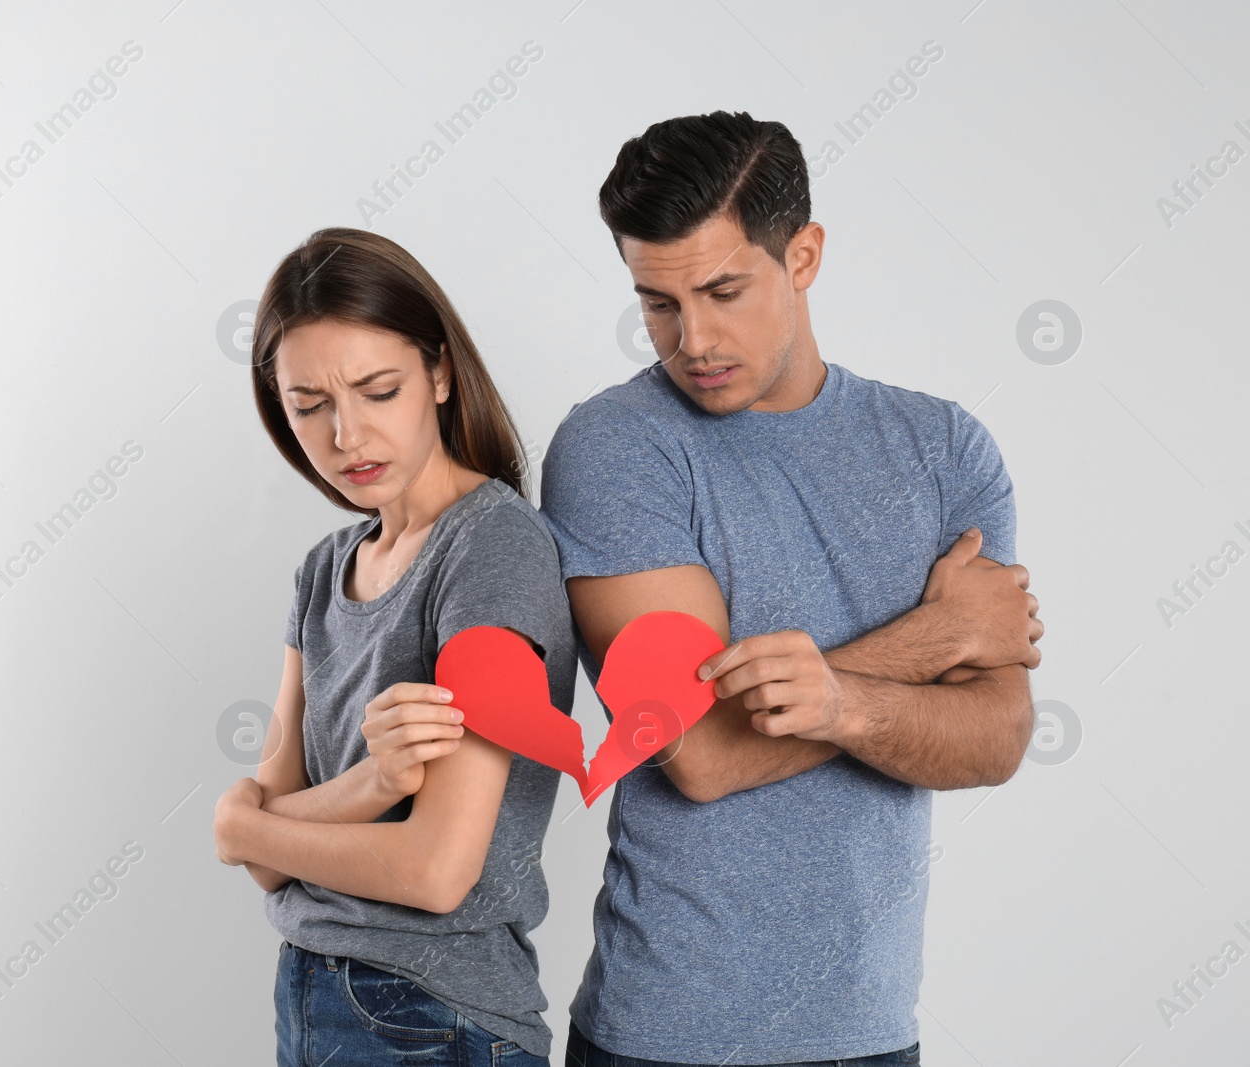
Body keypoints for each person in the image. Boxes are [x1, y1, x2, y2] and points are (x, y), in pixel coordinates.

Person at [537, 111, 1045, 1065]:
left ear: (803, 254)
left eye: (724, 290)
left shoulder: (942, 452)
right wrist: (932, 640)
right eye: (657, 302)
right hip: (667, 1037)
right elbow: (702, 753)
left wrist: (838, 697)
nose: (692, 338)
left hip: (872, 1033)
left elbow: (998, 737)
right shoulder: (618, 448)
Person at [211, 227, 575, 1066]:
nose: (347, 435)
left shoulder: (492, 549)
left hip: (434, 1016)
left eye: (378, 389)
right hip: (311, 991)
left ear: (440, 373)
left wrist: (244, 825)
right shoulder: (322, 572)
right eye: (310, 405)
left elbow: (436, 869)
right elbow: (267, 861)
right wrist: (372, 785)